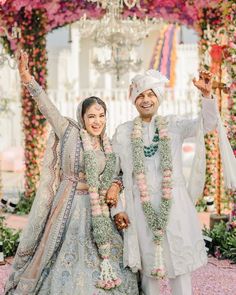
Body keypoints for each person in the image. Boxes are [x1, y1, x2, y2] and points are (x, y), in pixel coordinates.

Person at [4, 51, 138, 295]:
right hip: (68, 205)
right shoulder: (69, 133)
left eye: (101, 116)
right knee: (59, 256)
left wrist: (115, 185)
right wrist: (27, 79)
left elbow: (119, 173)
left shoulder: (109, 146)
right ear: (82, 117)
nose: (96, 121)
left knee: (112, 262)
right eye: (91, 116)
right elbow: (47, 107)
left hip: (99, 211)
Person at [110, 69, 236, 295]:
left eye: (151, 94)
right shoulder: (123, 133)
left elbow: (206, 124)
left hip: (174, 206)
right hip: (141, 207)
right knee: (149, 269)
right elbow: (114, 175)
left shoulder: (174, 124)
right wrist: (119, 208)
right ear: (133, 100)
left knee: (179, 266)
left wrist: (207, 97)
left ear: (159, 98)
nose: (146, 100)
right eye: (140, 95)